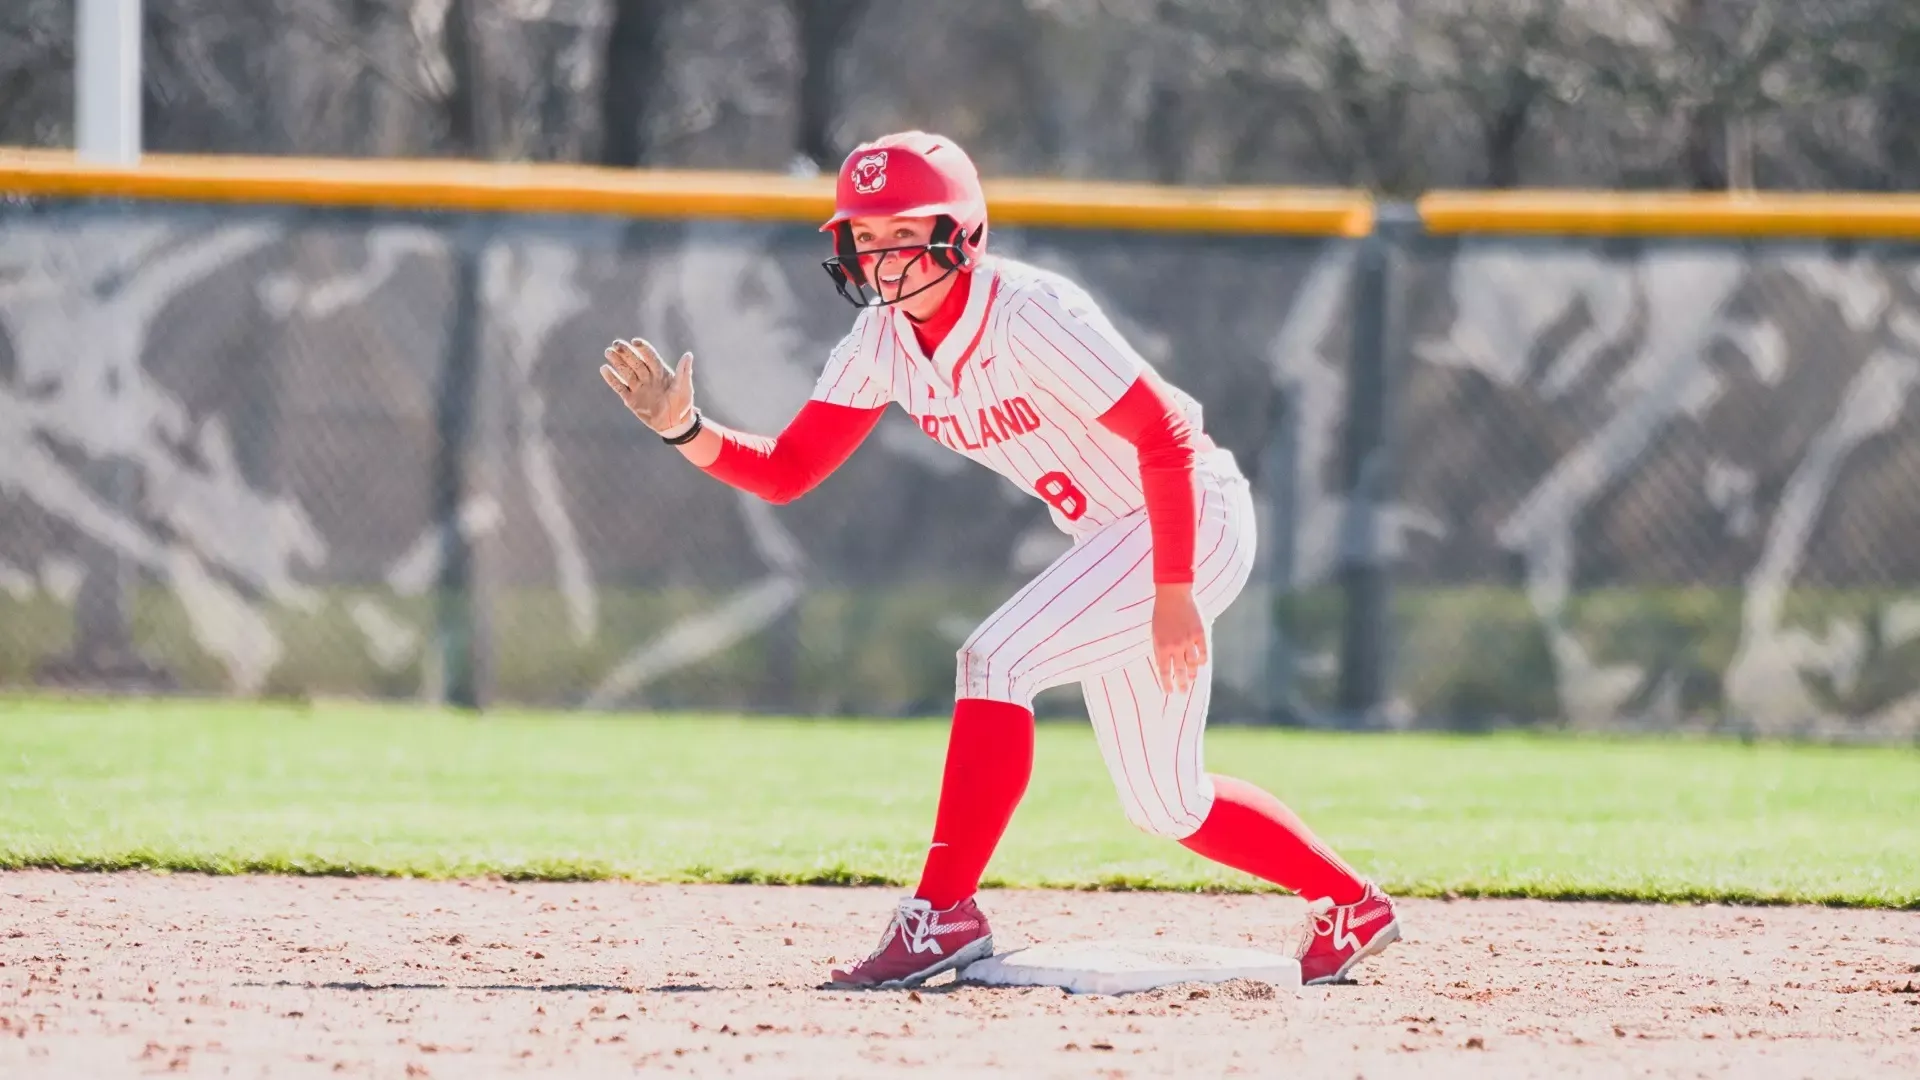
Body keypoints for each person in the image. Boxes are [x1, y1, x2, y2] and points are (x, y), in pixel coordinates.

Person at [598, 131, 1401, 989]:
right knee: (1167, 803)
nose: (882, 255)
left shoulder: (1026, 312)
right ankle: (1352, 903)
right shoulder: (880, 343)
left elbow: (1164, 430)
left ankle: (943, 912)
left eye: (902, 232)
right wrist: (684, 428)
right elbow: (790, 470)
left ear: (960, 232)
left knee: (995, 658)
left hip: (1186, 518)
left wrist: (1174, 592)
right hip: (1116, 538)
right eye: (865, 237)